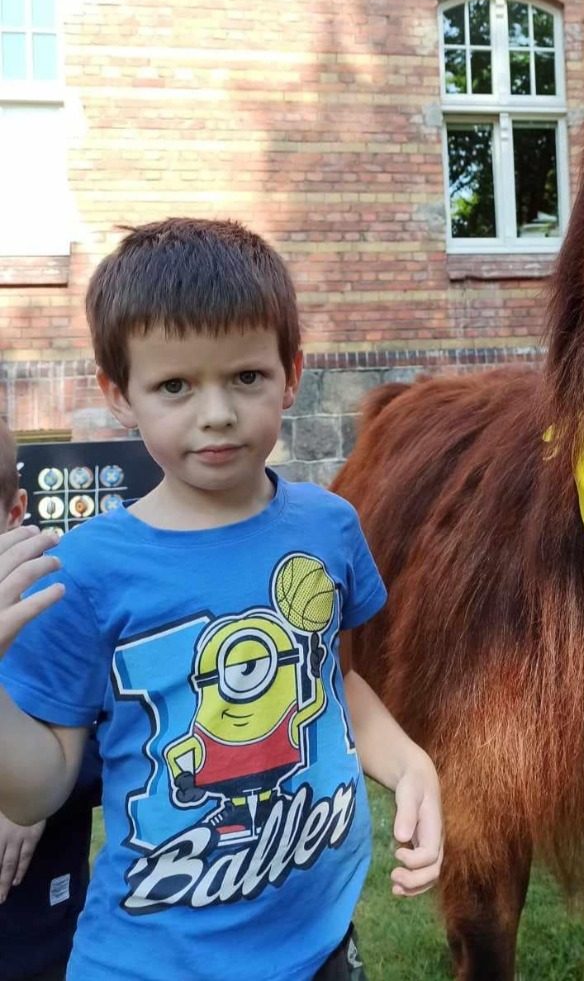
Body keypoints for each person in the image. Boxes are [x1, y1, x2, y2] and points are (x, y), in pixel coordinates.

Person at [0, 219, 443, 981]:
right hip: (154, 964)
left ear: (291, 373)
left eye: (245, 376)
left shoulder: (329, 525)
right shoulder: (83, 571)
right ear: (119, 394)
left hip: (320, 945)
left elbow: (333, 679)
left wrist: (410, 764)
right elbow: (38, 788)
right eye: (174, 385)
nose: (216, 413)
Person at [0, 423, 101, 981]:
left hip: (39, 923)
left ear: (15, 513)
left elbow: (121, 731)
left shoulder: (56, 607)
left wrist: (31, 794)